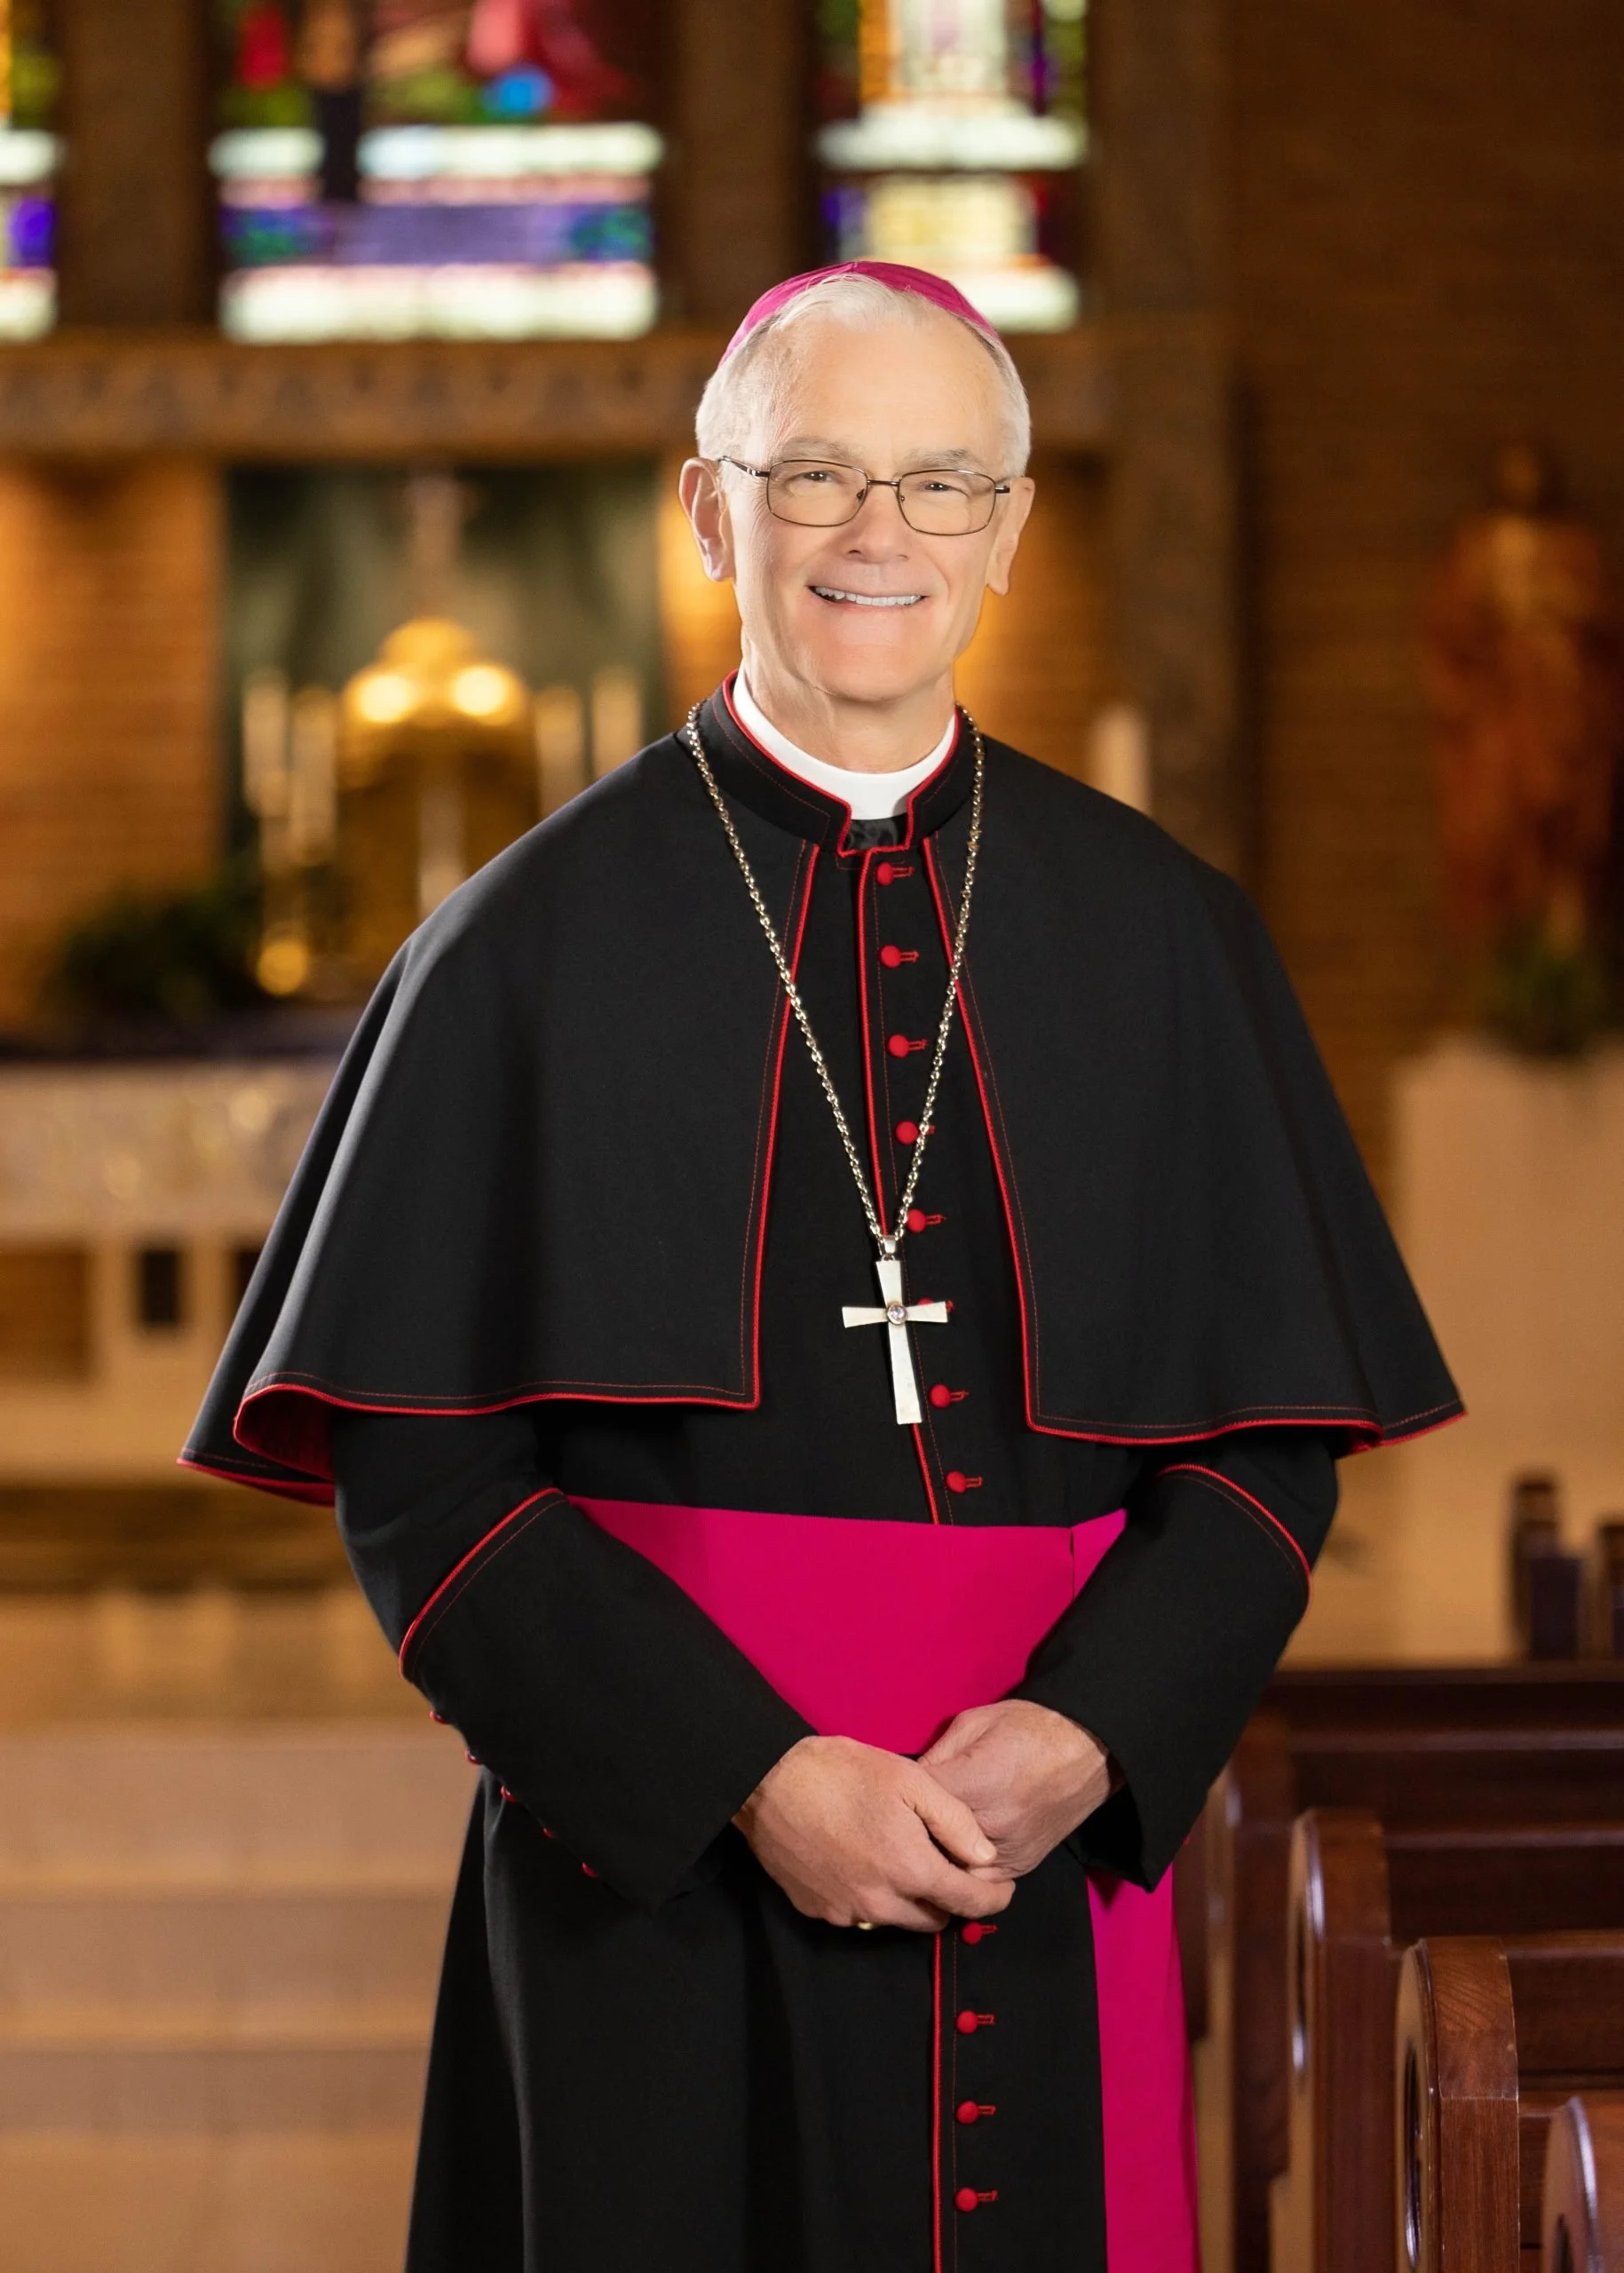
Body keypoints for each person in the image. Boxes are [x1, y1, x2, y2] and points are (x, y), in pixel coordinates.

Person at [185, 260, 1461, 2273]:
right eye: (817, 475)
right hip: (655, 1863)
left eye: (940, 481)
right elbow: (422, 1482)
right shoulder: (516, 950)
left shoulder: (1161, 933)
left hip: (1045, 1849)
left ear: (1007, 532)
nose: (881, 533)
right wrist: (750, 1775)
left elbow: (1266, 1442)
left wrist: (1086, 1735)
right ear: (709, 514)